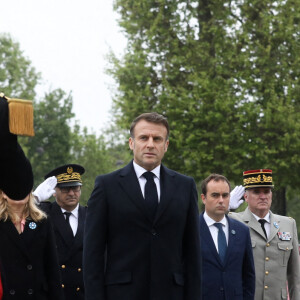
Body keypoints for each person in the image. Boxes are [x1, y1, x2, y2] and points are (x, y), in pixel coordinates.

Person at [83, 112, 202, 300]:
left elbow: (193, 252)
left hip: (171, 294)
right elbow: (92, 254)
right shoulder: (107, 186)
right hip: (122, 294)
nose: (150, 144)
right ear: (132, 143)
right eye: (143, 138)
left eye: (157, 139)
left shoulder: (185, 187)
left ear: (166, 145)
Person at [0, 94, 64, 300]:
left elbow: (52, 269)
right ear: (2, 193)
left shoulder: (41, 220)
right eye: (11, 188)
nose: (18, 193)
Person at [229, 169, 300, 300]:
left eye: (266, 191)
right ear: (245, 197)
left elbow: (294, 276)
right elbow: (206, 227)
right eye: (256, 192)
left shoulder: (288, 224)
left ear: (271, 195)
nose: (263, 196)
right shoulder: (232, 221)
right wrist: (225, 207)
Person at [33, 164, 86, 300]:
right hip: (53, 292)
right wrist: (34, 199)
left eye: (75, 188)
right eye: (65, 189)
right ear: (54, 191)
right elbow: (16, 218)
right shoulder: (42, 213)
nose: (71, 193)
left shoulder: (91, 215)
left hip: (83, 293)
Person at [199, 174, 255, 299]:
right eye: (215, 195)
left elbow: (248, 276)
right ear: (203, 198)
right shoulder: (191, 230)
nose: (221, 200)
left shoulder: (242, 231)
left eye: (225, 195)